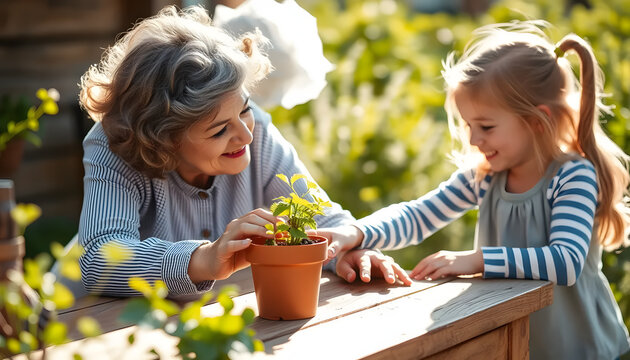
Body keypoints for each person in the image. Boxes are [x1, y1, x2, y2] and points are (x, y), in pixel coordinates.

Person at [322, 21, 630, 359]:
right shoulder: (486, 177)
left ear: (536, 121)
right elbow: (417, 215)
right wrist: (357, 232)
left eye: (486, 126)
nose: (473, 139)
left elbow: (565, 262)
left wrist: (475, 260)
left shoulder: (573, 176)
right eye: (470, 125)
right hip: (515, 345)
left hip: (583, 351)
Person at [77, 5, 409, 298]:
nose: (246, 134)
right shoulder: (114, 144)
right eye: (219, 129)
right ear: (163, 138)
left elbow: (319, 214)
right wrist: (204, 259)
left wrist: (344, 252)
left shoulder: (257, 129)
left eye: (245, 109)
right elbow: (100, 259)